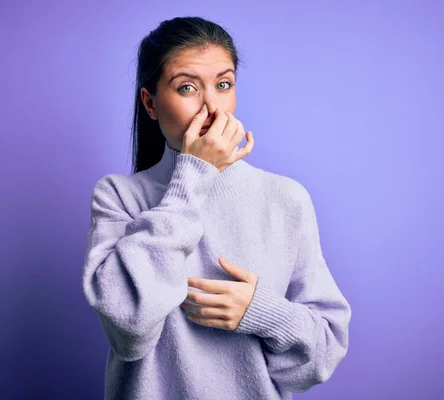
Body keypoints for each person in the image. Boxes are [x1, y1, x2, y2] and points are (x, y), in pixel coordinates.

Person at [82, 16, 351, 400]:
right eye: (187, 87)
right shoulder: (118, 196)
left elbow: (322, 355)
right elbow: (129, 331)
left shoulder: (285, 198)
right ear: (150, 103)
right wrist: (194, 175)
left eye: (223, 85)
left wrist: (261, 312)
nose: (211, 106)